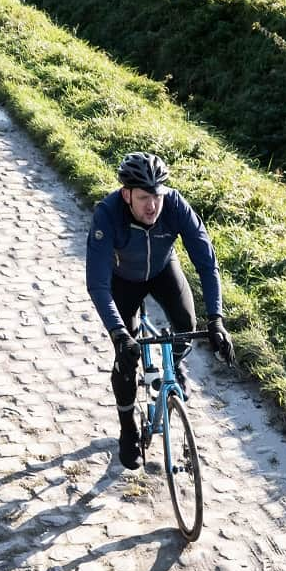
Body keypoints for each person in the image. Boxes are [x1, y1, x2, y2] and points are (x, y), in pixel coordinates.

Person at [85, 152, 234, 467]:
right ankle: (127, 430)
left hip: (164, 269)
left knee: (186, 324)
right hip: (123, 279)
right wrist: (119, 333)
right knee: (126, 360)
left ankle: (174, 366)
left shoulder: (176, 205)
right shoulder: (108, 214)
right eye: (143, 198)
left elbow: (207, 263)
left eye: (157, 196)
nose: (152, 206)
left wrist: (217, 319)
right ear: (126, 195)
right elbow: (97, 285)